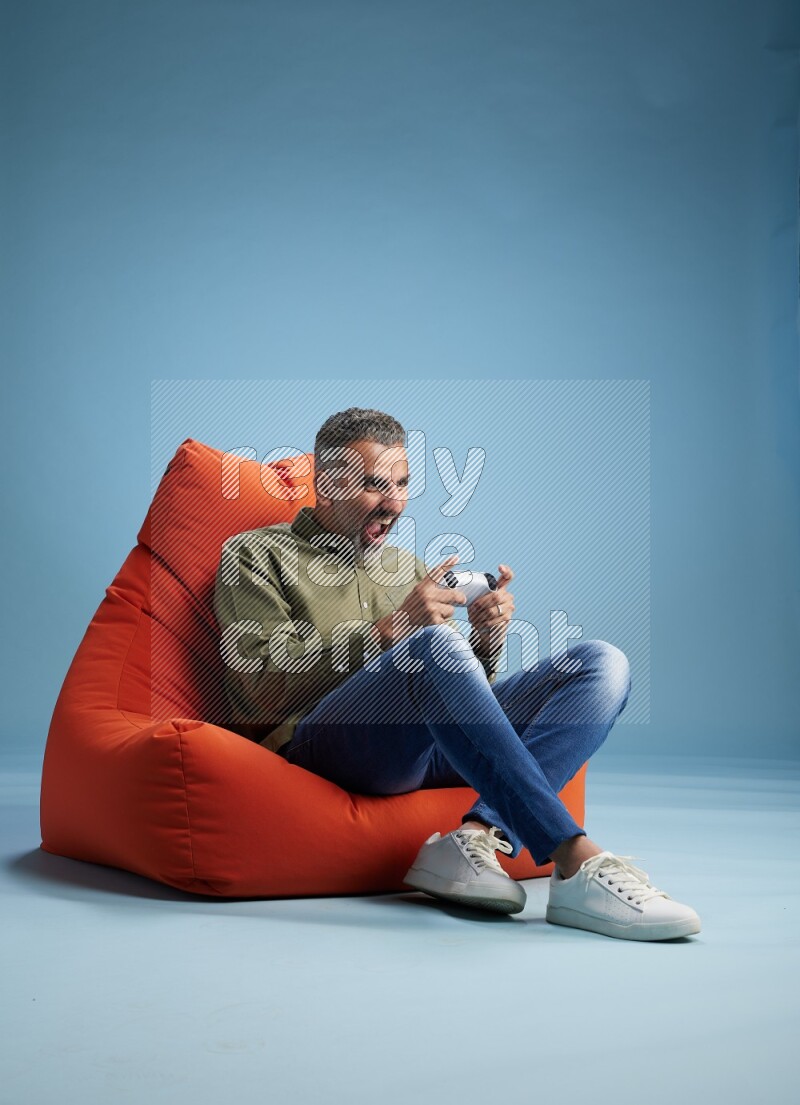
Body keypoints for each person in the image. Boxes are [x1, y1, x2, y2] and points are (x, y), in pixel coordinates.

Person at [213, 407, 701, 941]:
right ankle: (573, 858)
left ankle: (474, 835)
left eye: (403, 484)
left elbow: (465, 713)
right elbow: (257, 678)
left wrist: (485, 643)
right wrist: (391, 631)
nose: (396, 503)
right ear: (327, 485)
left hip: (426, 750)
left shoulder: (407, 568)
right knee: (428, 644)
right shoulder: (254, 553)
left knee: (601, 662)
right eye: (375, 486)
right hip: (323, 748)